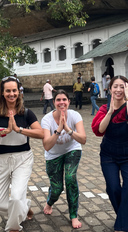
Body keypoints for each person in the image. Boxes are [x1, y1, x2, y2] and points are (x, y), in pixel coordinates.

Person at [0, 76, 44, 232]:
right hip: (0, 160)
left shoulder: (26, 113)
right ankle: (25, 207)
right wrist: (4, 132)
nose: (11, 94)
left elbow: (41, 133)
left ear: (19, 92)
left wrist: (19, 129)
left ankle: (13, 228)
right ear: (2, 93)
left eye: (14, 90)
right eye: (8, 91)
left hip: (22, 159)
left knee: (16, 197)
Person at [91, 75, 128, 232]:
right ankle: (125, 220)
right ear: (110, 89)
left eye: (122, 86)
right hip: (109, 155)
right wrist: (109, 112)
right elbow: (99, 130)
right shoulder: (103, 110)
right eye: (115, 86)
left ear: (127, 88)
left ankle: (124, 225)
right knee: (113, 188)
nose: (118, 90)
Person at [41, 90, 86, 229]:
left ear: (69, 102)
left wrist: (68, 129)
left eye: (64, 99)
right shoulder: (46, 120)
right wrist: (59, 129)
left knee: (71, 178)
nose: (62, 102)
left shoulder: (75, 115)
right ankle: (49, 202)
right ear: (54, 102)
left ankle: (73, 215)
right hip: (53, 155)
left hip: (72, 150)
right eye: (58, 100)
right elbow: (47, 146)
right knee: (57, 188)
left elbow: (83, 139)